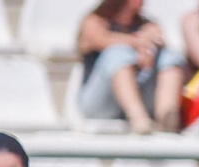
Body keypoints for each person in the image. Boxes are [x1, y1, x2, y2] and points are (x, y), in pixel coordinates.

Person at [75, 0, 179, 135]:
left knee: (170, 56)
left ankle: (166, 118)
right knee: (117, 53)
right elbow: (103, 40)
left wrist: (151, 49)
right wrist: (140, 44)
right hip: (99, 103)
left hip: (142, 96)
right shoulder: (94, 22)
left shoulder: (147, 24)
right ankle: (139, 119)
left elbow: (159, 39)